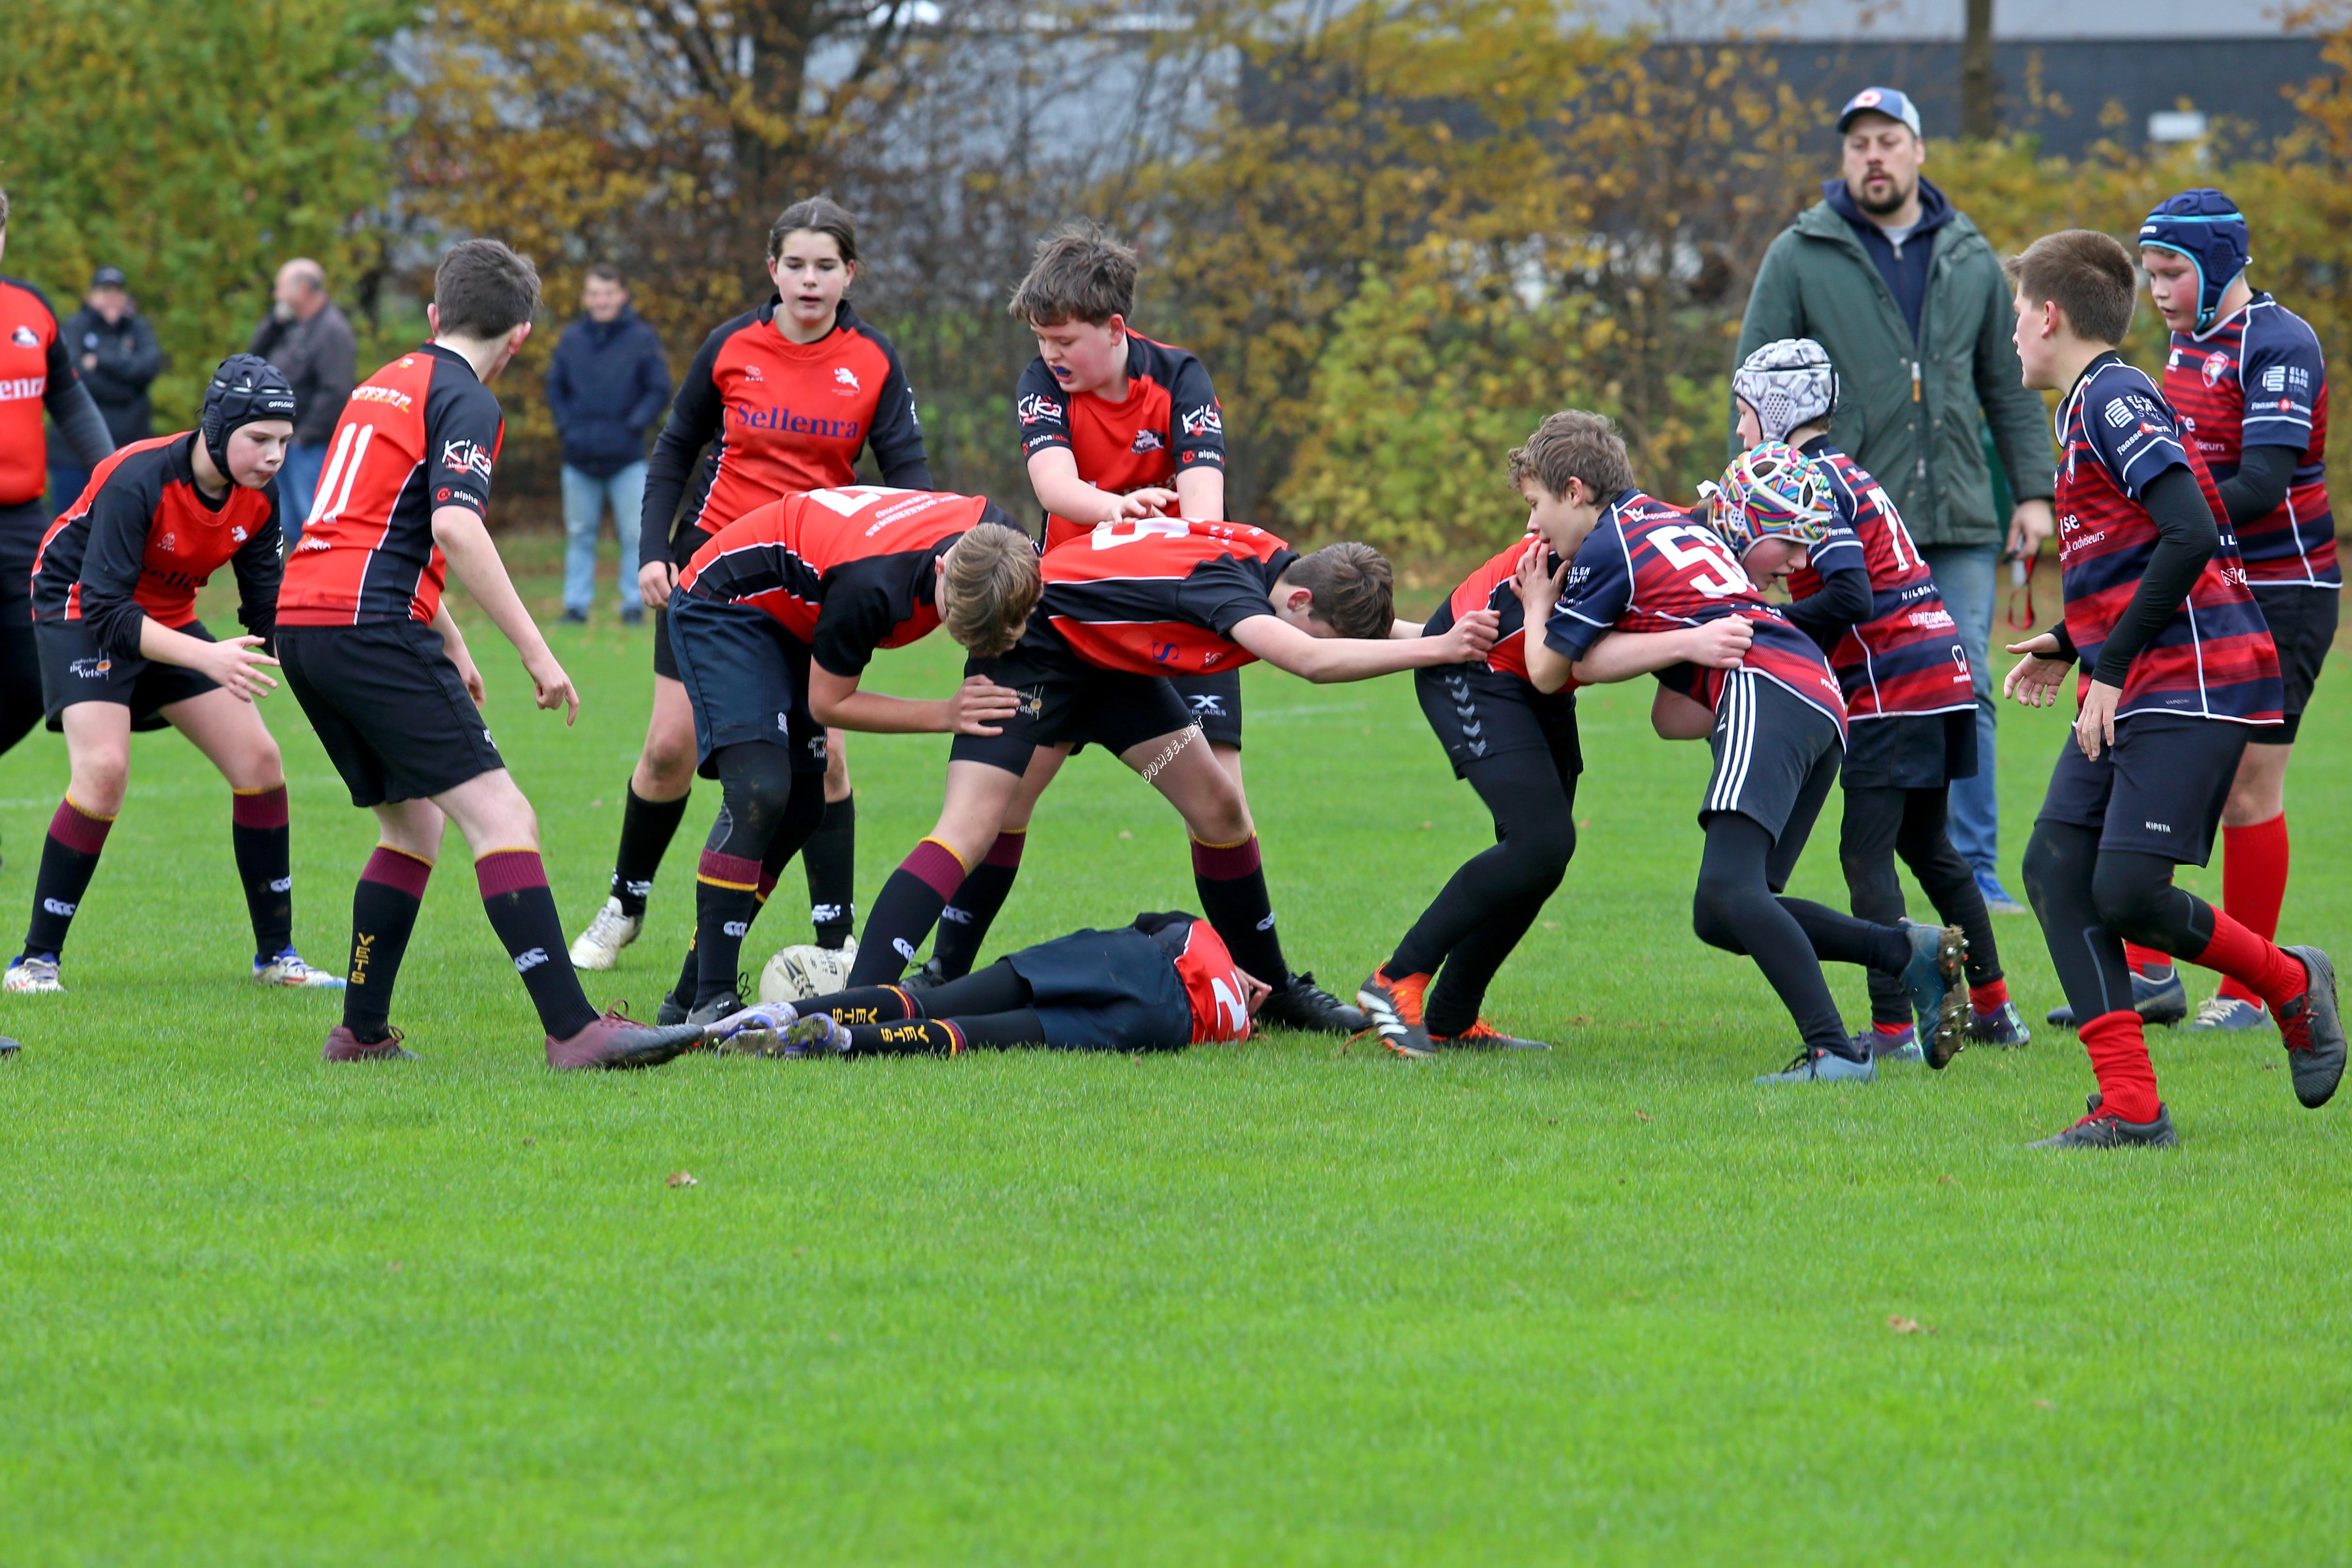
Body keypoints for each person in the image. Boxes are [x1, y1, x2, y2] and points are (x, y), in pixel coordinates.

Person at [274, 239, 703, 1070]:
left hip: (309, 621)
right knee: (504, 819)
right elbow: (451, 527)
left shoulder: (384, 380)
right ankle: (575, 1030)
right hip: (369, 627)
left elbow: (372, 521)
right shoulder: (465, 398)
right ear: (520, 338)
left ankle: (359, 1031)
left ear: (435, 315)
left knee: (411, 826)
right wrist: (538, 652)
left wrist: (452, 634)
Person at [845, 518, 1502, 1035]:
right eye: (1325, 627)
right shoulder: (1230, 589)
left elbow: (1334, 632)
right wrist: (1439, 649)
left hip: (1113, 672)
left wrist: (1461, 635)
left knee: (1220, 809)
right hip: (1037, 649)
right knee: (980, 823)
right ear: (1300, 597)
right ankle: (871, 997)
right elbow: (1309, 658)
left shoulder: (1280, 567)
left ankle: (1272, 990)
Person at [1998, 229, 2341, 1148]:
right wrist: (2072, 641)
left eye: (2014, 317)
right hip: (2135, 674)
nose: (2011, 338)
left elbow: (2190, 531)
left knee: (2126, 888)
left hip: (2192, 680)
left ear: (2048, 314)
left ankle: (2287, 981)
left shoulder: (2112, 397)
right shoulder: (2081, 409)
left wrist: (2106, 664)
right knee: (2055, 867)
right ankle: (2131, 1106)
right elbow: (2141, 548)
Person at [1516, 415, 1968, 1084]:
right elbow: (1674, 715)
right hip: (1816, 694)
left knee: (1731, 889)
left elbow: (1549, 670)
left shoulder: (1608, 547)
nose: (1531, 527)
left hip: (1770, 686)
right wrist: (1682, 647)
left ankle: (1835, 1053)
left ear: (1576, 491)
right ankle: (1905, 949)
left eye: (1535, 505)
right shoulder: (1661, 522)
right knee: (1724, 912)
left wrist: (1534, 607)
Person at [576, 197, 933, 980]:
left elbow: (908, 476)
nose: (810, 280)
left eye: (826, 266)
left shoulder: (871, 359)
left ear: (850, 274)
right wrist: (649, 552)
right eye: (795, 264)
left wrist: (904, 563)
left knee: (826, 759)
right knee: (667, 748)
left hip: (812, 580)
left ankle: (835, 937)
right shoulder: (732, 345)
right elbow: (673, 449)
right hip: (711, 569)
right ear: (772, 270)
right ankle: (625, 904)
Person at [1736, 85, 2058, 916]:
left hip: (1955, 514)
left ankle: (1974, 869)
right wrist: (1756, 514)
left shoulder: (1969, 254)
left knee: (1965, 684)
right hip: (1836, 515)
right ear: (1843, 159)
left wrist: (2032, 492)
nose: (1872, 155)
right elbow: (1756, 385)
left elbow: (2012, 382)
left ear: (1917, 151)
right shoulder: (1799, 251)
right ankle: (1860, 856)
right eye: (1857, 144)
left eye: (1887, 140)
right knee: (1853, 686)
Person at [643, 486, 1038, 1025]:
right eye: (952, 620)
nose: (952, 634)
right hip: (726, 603)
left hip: (799, 610)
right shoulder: (871, 587)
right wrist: (945, 713)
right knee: (760, 790)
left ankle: (687, 991)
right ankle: (711, 998)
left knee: (805, 807)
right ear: (943, 567)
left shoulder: (1008, 549)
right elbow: (829, 702)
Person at [6, 355, 339, 994]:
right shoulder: (139, 478)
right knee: (102, 772)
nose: (273, 457)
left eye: (283, 443)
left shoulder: (258, 501)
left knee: (261, 764)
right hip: (80, 611)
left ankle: (277, 957)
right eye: (258, 439)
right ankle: (35, 961)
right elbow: (105, 608)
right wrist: (209, 656)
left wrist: (341, 676)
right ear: (217, 429)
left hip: (165, 618)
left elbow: (267, 615)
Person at [1734, 339, 2027, 1061]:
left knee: (1864, 855)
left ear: (1776, 408)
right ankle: (1993, 1008)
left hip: (1895, 684)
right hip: (1939, 669)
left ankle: (1893, 1028)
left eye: (1744, 413)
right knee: (1930, 848)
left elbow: (1850, 592)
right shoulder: (1844, 470)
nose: (1741, 431)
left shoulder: (1806, 479)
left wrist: (1760, 623)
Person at [2132, 189, 2339, 1036]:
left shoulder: (2278, 342)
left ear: (2218, 265)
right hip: (2210, 581)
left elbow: (2259, 485)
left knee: (2248, 789)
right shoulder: (2186, 343)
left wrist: (2162, 516)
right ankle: (2146, 973)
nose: (2158, 289)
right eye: (2148, 273)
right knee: (2153, 752)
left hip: (2285, 590)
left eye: (2172, 271)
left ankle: (2250, 992)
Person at [1354, 510, 1580, 1057]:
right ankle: (1395, 978)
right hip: (1477, 668)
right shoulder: (1614, 543)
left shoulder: (1647, 539)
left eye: (1536, 500)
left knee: (1542, 856)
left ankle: (1452, 1016)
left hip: (1539, 682)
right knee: (1541, 843)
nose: (1530, 520)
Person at [708, 910, 1262, 1058]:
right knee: (974, 1032)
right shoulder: (1229, 1027)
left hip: (1126, 959)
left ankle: (783, 1015)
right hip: (1161, 1025)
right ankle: (842, 1042)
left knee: (931, 999)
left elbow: (1150, 923)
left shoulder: (1205, 937)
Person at [1, 188, 118, 773]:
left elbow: (69, 399)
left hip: (24, 523)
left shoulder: (30, 307)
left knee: (31, 677)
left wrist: (113, 475)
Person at [545, 263, 670, 626]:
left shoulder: (642, 339)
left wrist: (633, 425)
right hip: (578, 457)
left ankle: (635, 603)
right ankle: (576, 606)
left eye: (608, 293)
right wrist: (568, 429)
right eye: (595, 294)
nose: (601, 301)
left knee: (635, 534)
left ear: (622, 295)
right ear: (586, 298)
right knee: (580, 534)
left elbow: (658, 389)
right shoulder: (570, 339)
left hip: (627, 457)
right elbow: (555, 389)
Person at [248, 258, 357, 540]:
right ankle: (296, 584)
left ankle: (325, 583)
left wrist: (303, 436)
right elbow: (254, 359)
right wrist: (274, 321)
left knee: (314, 524)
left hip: (310, 446)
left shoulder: (332, 331)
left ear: (304, 289)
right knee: (289, 523)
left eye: (281, 288)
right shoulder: (292, 326)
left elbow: (336, 391)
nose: (276, 296)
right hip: (285, 443)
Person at [47, 265, 162, 513]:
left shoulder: (138, 328)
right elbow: (76, 379)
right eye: (105, 291)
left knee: (125, 525)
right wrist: (126, 384)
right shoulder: (75, 326)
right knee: (70, 526)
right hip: (74, 455)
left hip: (129, 450)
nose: (112, 298)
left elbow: (149, 367)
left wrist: (100, 360)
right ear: (92, 296)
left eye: (118, 292)